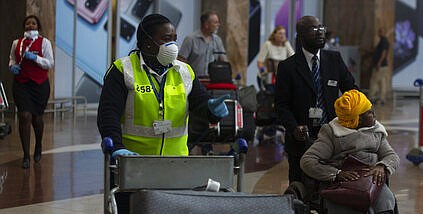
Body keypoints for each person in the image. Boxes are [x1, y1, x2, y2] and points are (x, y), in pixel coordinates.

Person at [97, 14, 229, 158]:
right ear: (147, 42)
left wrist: (211, 109)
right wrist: (117, 146)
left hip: (176, 162)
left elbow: (200, 103)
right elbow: (108, 114)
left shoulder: (184, 71)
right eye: (166, 39)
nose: (172, 45)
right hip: (133, 161)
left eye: (174, 40)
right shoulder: (123, 70)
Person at [300, 89, 399, 214]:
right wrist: (336, 174)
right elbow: (308, 161)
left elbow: (391, 156)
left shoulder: (376, 131)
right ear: (357, 119)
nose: (374, 114)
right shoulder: (332, 133)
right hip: (342, 183)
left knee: (386, 198)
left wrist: (382, 166)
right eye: (368, 112)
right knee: (339, 208)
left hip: (370, 181)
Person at [275, 15, 358, 183]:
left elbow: (352, 90)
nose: (320, 33)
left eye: (321, 28)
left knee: (332, 185)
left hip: (332, 135)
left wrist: (363, 109)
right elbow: (281, 105)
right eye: (313, 29)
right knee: (300, 188)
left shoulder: (334, 60)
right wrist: (293, 128)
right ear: (300, 36)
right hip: (302, 139)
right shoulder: (287, 67)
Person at [9, 15, 54, 169]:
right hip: (21, 84)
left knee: (36, 118)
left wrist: (35, 58)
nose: (30, 25)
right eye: (27, 23)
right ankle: (26, 155)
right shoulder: (17, 43)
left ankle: (39, 145)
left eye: (33, 23)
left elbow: (50, 63)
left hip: (39, 85)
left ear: (38, 26)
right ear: (24, 26)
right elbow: (12, 59)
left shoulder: (44, 43)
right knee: (24, 116)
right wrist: (12, 67)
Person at [178, 10, 228, 78]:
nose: (218, 25)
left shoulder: (217, 40)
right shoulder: (191, 39)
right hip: (194, 80)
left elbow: (224, 61)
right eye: (215, 22)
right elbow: (181, 61)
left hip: (212, 80)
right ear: (206, 24)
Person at [256, 25, 295, 91]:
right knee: (269, 97)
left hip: (280, 77)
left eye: (284, 34)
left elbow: (294, 58)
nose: (282, 36)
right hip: (268, 77)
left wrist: (286, 44)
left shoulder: (286, 45)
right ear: (274, 35)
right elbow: (260, 62)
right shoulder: (268, 44)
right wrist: (263, 72)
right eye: (280, 33)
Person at [368, 27, 390, 105]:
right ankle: (382, 98)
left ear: (384, 32)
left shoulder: (383, 41)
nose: (379, 33)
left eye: (381, 31)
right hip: (384, 66)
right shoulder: (383, 41)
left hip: (380, 65)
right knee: (382, 81)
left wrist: (379, 63)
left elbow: (383, 53)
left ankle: (372, 97)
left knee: (374, 80)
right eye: (379, 31)